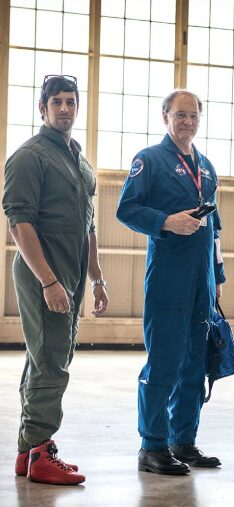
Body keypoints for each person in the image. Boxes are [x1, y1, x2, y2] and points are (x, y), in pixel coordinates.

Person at [2, 75, 109, 485]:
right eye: (57, 102)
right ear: (42, 108)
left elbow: (89, 225)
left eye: (71, 101)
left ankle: (28, 451)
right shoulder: (30, 156)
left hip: (73, 270)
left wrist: (97, 277)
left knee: (44, 356)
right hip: (42, 270)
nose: (65, 108)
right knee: (51, 361)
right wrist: (48, 281)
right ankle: (42, 452)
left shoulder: (78, 160)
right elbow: (19, 223)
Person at [116, 89, 226, 475]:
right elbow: (126, 209)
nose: (188, 122)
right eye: (181, 115)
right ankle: (153, 445)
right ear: (165, 117)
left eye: (194, 115)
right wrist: (166, 221)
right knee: (164, 360)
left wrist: (219, 276)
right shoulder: (149, 160)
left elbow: (215, 226)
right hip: (168, 277)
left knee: (196, 363)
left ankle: (184, 440)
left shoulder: (207, 167)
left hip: (202, 281)